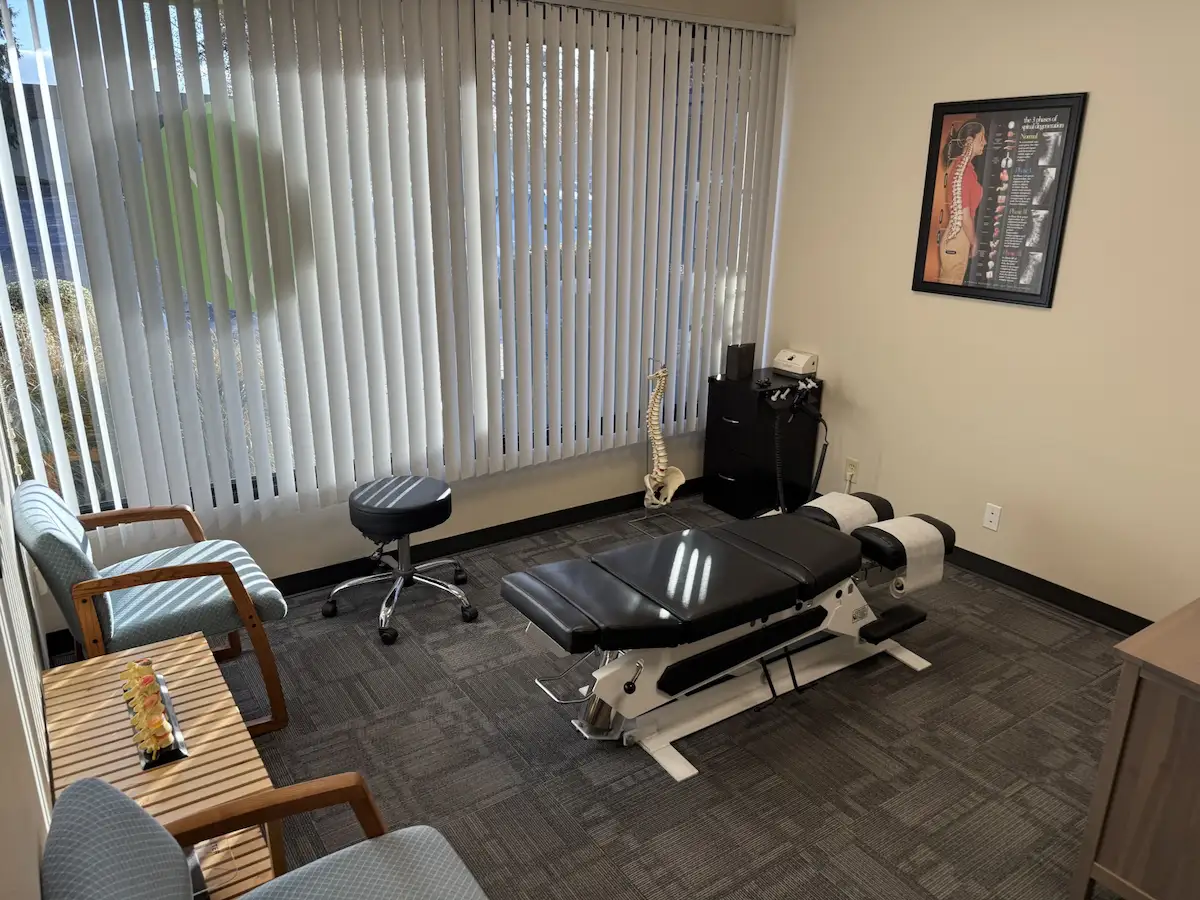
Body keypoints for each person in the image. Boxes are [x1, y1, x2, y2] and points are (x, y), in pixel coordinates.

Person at [937, 121, 987, 284]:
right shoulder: (963, 171)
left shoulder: (962, 168)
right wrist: (974, 242)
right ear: (970, 141)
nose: (985, 142)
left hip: (957, 238)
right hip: (958, 237)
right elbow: (964, 216)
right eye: (982, 138)